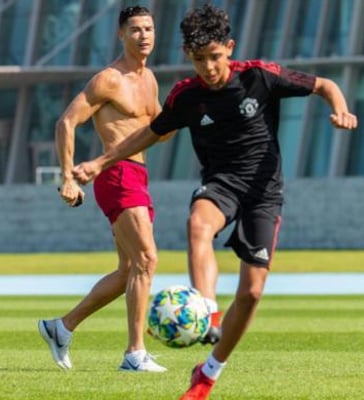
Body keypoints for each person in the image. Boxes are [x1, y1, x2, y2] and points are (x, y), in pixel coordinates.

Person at [72, 4, 357, 399]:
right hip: (221, 184)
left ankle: (207, 372)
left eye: (216, 57)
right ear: (189, 55)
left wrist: (341, 110)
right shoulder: (187, 97)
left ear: (230, 48)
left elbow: (325, 84)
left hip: (264, 193)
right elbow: (149, 133)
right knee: (197, 224)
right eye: (199, 59)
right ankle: (207, 311)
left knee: (252, 292)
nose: (208, 67)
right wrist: (100, 161)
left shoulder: (260, 76)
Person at [37, 5, 174, 373]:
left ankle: (61, 327)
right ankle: (134, 354)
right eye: (134, 29)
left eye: (148, 28)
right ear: (121, 35)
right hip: (116, 176)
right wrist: (66, 176)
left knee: (129, 268)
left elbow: (160, 129)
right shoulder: (109, 80)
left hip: (139, 176)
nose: (143, 35)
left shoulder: (150, 81)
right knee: (147, 260)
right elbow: (66, 122)